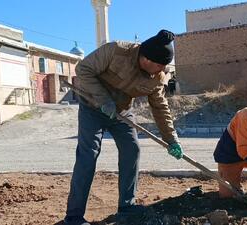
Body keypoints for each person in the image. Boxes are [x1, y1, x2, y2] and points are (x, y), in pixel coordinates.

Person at [64, 30, 184, 225]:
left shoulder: (157, 77)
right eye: (159, 65)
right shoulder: (116, 50)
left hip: (122, 112)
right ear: (146, 58)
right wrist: (103, 100)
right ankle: (74, 216)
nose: (161, 70)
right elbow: (83, 69)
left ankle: (126, 207)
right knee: (88, 154)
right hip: (92, 107)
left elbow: (160, 107)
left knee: (132, 149)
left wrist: (171, 139)